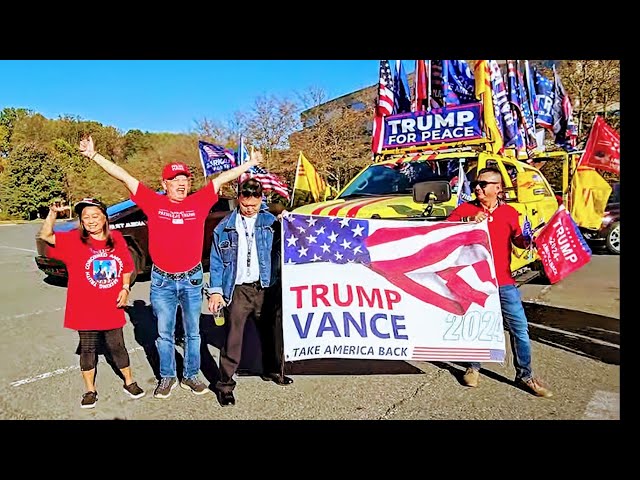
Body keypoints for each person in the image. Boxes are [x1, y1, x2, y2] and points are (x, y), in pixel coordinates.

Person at [79, 135, 260, 399]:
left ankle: (190, 375)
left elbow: (221, 179)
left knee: (193, 332)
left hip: (192, 279)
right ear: (165, 184)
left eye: (184, 180)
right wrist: (94, 156)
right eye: (175, 180)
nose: (181, 184)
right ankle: (167, 377)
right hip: (163, 280)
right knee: (164, 334)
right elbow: (124, 177)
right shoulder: (154, 202)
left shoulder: (199, 202)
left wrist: (250, 163)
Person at [447, 166, 553, 398]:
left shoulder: (510, 213)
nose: (477, 188)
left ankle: (525, 375)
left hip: (504, 281)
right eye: (476, 184)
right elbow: (444, 233)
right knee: (475, 325)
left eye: (483, 184)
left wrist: (532, 240)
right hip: (475, 281)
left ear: (498, 188)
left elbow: (519, 242)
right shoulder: (464, 209)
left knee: (520, 329)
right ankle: (473, 367)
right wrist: (468, 220)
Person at [38, 197, 145, 409]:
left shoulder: (115, 238)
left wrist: (125, 288)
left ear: (105, 218)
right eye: (86, 217)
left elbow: (125, 266)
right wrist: (52, 214)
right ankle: (89, 390)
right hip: (83, 307)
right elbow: (46, 236)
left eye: (95, 216)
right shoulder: (74, 240)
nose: (91, 220)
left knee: (117, 346)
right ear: (82, 221)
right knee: (88, 349)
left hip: (111, 305)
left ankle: (129, 381)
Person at [206, 178, 293, 407]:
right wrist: (215, 292)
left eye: (254, 205)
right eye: (245, 205)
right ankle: (224, 386)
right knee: (233, 338)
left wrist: (287, 222)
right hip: (239, 289)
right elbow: (216, 263)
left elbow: (289, 240)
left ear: (261, 200)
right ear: (239, 200)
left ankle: (272, 370)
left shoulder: (271, 221)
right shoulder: (223, 227)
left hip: (266, 286)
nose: (250, 209)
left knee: (272, 333)